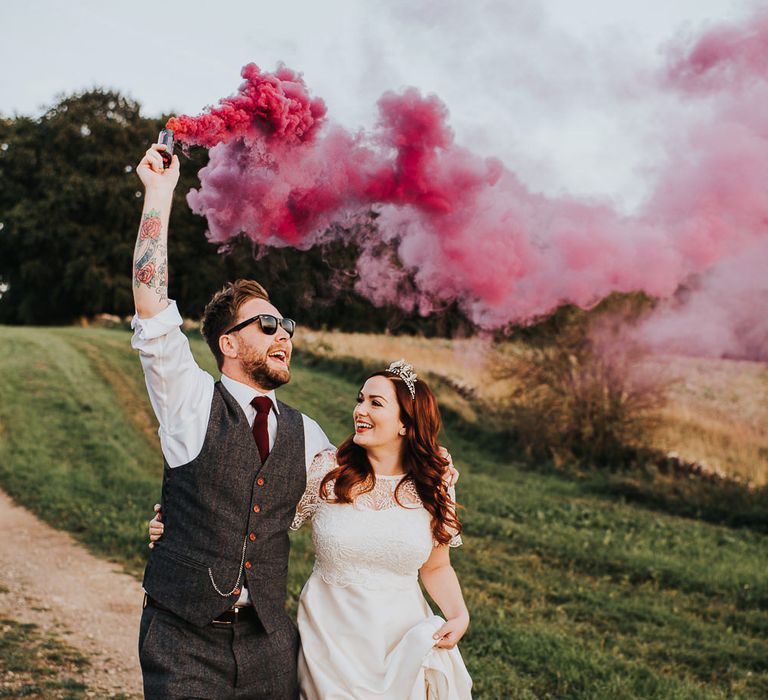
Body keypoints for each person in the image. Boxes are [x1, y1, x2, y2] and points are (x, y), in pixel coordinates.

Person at [133, 142, 459, 699]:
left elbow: (363, 499)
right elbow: (152, 301)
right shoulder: (188, 400)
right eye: (265, 325)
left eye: (285, 324)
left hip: (269, 645)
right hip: (182, 639)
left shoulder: (308, 438)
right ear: (229, 343)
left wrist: (427, 472)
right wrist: (159, 193)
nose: (283, 332)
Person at [152, 361, 473, 699]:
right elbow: (250, 518)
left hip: (401, 641)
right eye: (360, 399)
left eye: (375, 403)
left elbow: (436, 566)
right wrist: (179, 526)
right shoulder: (326, 472)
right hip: (330, 641)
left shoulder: (434, 486)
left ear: (407, 425)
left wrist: (458, 614)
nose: (360, 410)